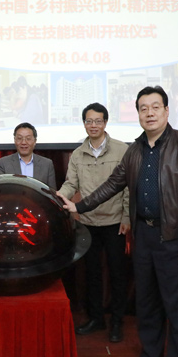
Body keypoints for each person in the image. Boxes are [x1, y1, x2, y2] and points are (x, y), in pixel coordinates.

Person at [57, 86, 178, 357]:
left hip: (175, 237)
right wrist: (79, 206)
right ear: (138, 114)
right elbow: (113, 184)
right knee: (147, 303)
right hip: (144, 236)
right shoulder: (135, 150)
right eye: (143, 108)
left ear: (166, 111)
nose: (149, 113)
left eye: (155, 107)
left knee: (177, 308)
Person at [57, 102, 130, 343]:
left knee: (117, 274)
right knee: (92, 274)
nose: (93, 125)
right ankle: (96, 318)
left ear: (106, 123)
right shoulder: (78, 154)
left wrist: (127, 217)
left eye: (98, 121)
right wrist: (59, 197)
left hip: (114, 221)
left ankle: (117, 321)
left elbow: (128, 186)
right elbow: (71, 184)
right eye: (89, 121)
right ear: (84, 123)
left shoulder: (121, 150)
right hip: (88, 223)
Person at [0, 122, 56, 188]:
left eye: (28, 138)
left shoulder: (47, 164)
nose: (23, 142)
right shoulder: (4, 163)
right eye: (19, 138)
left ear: (35, 141)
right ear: (15, 140)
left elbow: (52, 192)